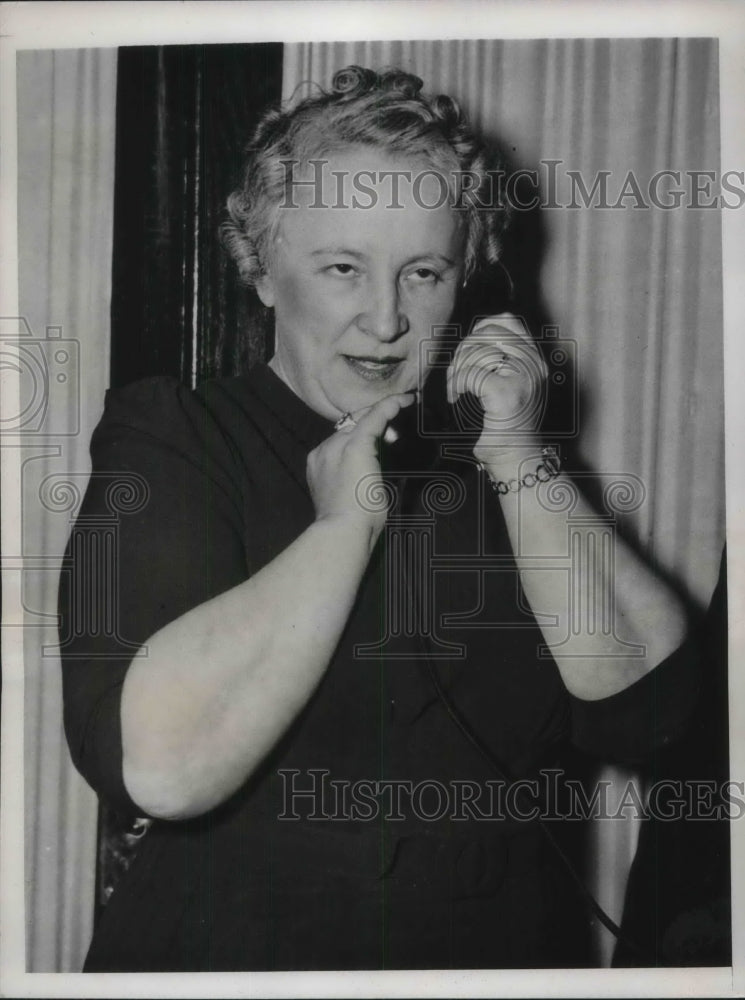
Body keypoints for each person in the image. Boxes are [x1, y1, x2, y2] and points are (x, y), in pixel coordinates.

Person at [59, 65, 700, 971]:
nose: (388, 318)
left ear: (468, 282)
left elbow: (652, 715)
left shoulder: (504, 469)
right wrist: (341, 528)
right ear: (262, 269)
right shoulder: (179, 438)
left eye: (424, 273)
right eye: (342, 268)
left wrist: (517, 455)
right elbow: (159, 768)